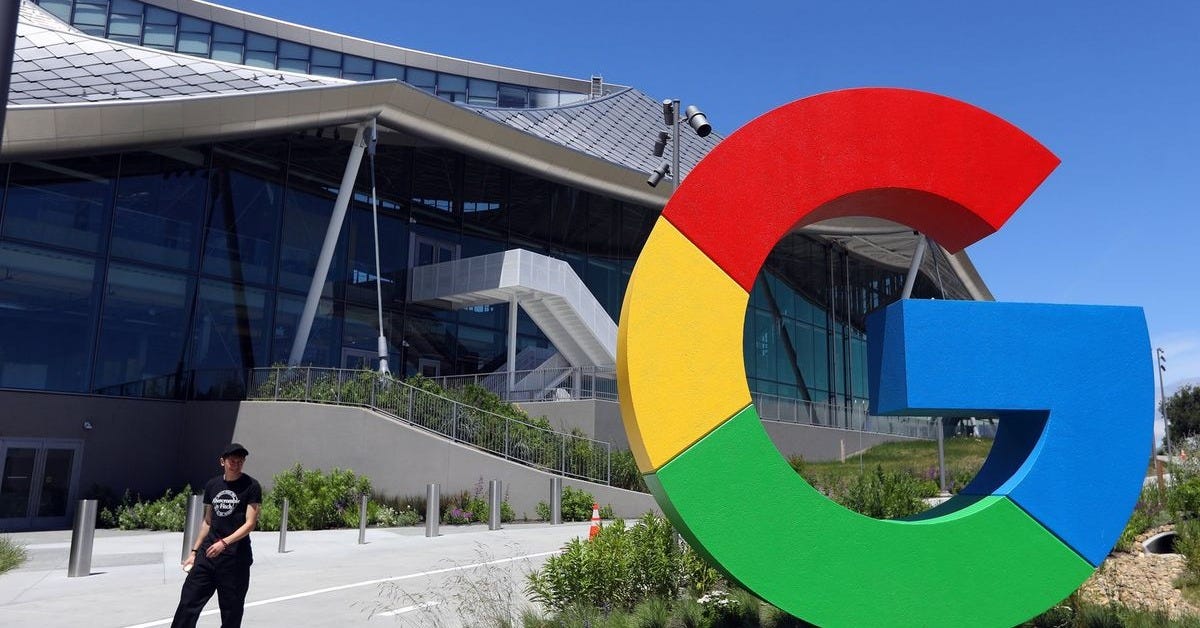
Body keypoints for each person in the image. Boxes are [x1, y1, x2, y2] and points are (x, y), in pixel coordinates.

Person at [172, 443, 262, 628]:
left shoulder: (251, 486)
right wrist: (194, 552)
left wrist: (225, 543)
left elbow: (250, 523)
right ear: (222, 461)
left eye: (240, 461)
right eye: (232, 461)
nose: (236, 464)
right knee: (188, 603)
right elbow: (207, 522)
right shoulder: (213, 485)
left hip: (235, 559)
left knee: (231, 612)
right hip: (207, 556)